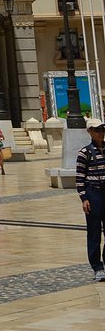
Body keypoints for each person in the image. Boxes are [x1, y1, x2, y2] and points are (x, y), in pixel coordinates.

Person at [75, 117, 105, 282]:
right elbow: (80, 178)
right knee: (94, 232)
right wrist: (84, 198)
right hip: (93, 194)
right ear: (90, 132)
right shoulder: (84, 153)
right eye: (97, 130)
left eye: (102, 129)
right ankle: (97, 267)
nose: (101, 133)